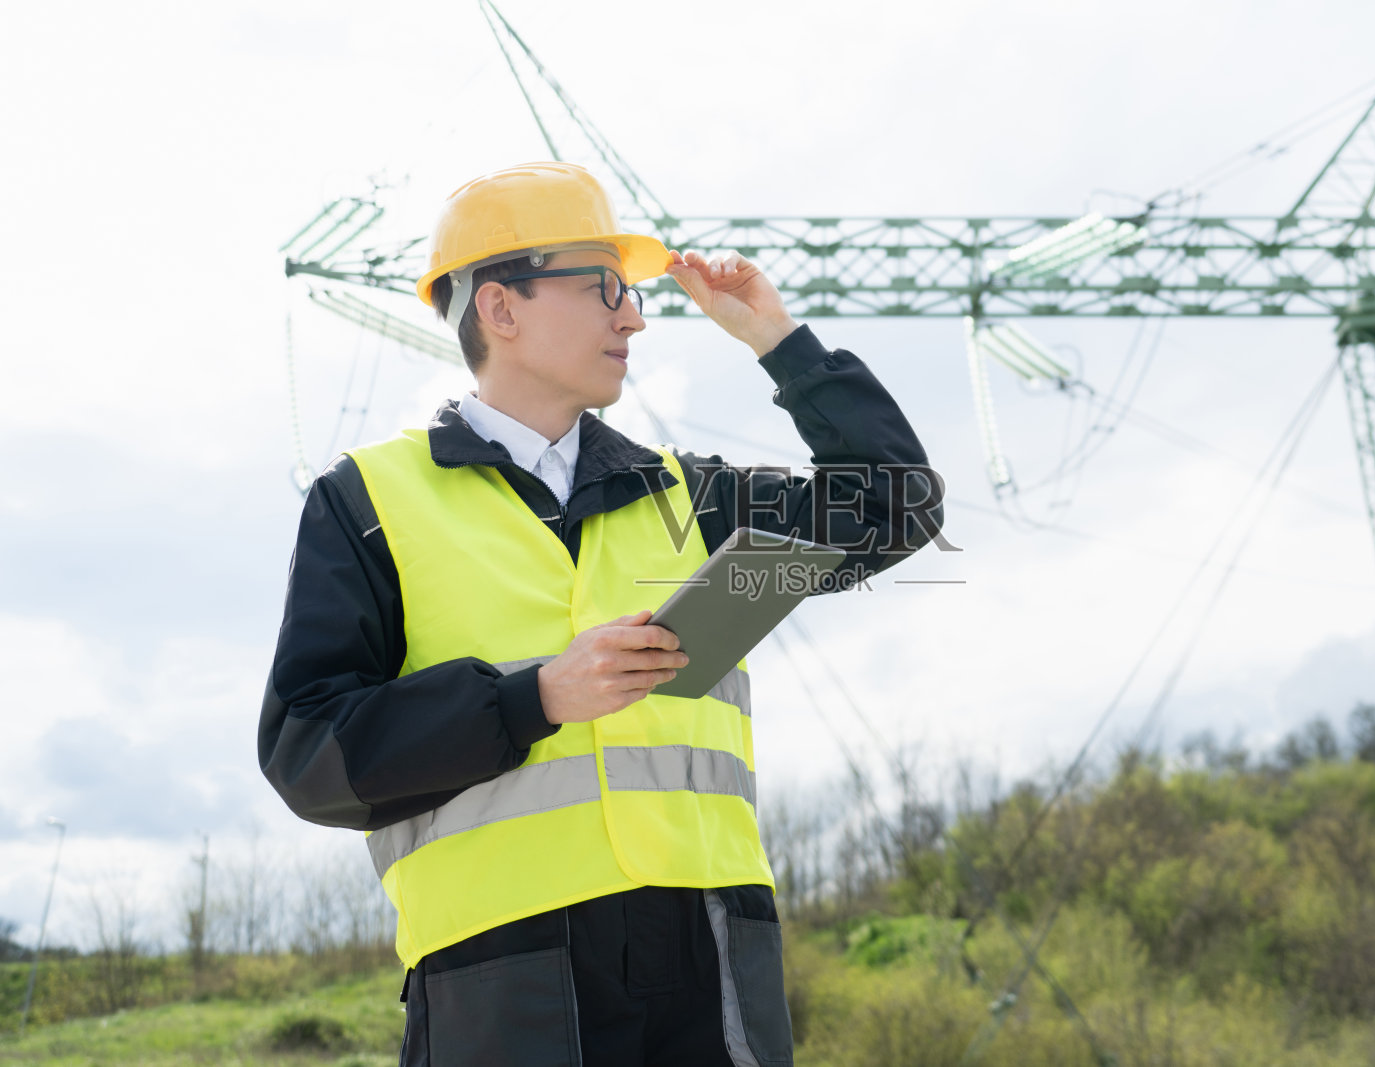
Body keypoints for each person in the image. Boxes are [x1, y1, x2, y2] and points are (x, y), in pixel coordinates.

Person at [258, 161, 943, 1067]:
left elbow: (899, 506)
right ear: (501, 309)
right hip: (504, 976)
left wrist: (778, 340)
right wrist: (531, 698)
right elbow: (310, 757)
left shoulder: (689, 498)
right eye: (605, 287)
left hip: (715, 958)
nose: (634, 316)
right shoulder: (370, 503)